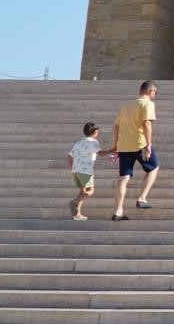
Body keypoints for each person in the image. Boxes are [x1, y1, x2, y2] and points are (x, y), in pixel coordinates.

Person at [110, 81, 159, 220]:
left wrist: (115, 145)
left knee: (123, 177)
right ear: (151, 91)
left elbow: (116, 126)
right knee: (153, 168)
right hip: (139, 143)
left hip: (124, 145)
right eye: (155, 92)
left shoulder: (126, 105)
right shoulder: (147, 104)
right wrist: (148, 145)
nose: (155, 95)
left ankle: (118, 211)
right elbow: (147, 123)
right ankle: (142, 198)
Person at [67, 122, 110, 220]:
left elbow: (69, 157)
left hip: (76, 171)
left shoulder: (78, 142)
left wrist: (72, 169)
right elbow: (101, 154)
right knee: (90, 191)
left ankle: (77, 214)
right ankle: (74, 202)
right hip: (85, 171)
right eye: (97, 131)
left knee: (82, 191)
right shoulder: (93, 141)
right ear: (95, 132)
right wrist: (113, 150)